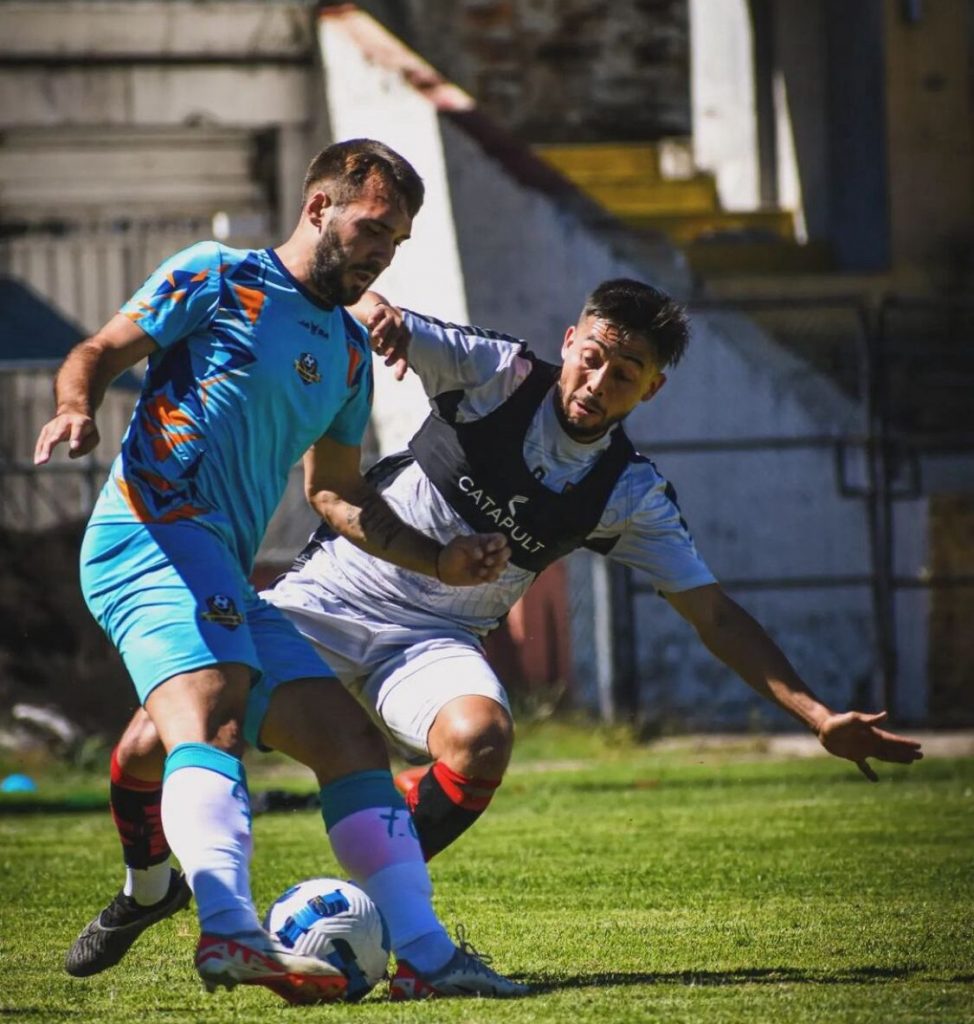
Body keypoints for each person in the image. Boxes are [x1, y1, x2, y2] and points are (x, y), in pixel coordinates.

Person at [65, 279, 924, 987]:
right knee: (154, 743)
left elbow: (715, 615)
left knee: (480, 737)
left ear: (651, 389)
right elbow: (364, 303)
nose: (596, 381)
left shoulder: (629, 493)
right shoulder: (497, 374)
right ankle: (147, 889)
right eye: (592, 356)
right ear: (570, 338)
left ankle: (394, 933)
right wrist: (383, 318)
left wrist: (817, 716)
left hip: (431, 641)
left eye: (624, 373)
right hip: (326, 598)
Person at [34, 138, 526, 1003]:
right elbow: (98, 352)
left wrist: (438, 558)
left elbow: (335, 495)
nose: (382, 252)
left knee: (348, 745)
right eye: (373, 228)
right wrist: (76, 410)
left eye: (397, 242)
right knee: (213, 714)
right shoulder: (216, 276)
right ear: (318, 208)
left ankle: (427, 955)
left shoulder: (344, 354)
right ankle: (229, 933)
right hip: (146, 531)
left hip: (217, 562)